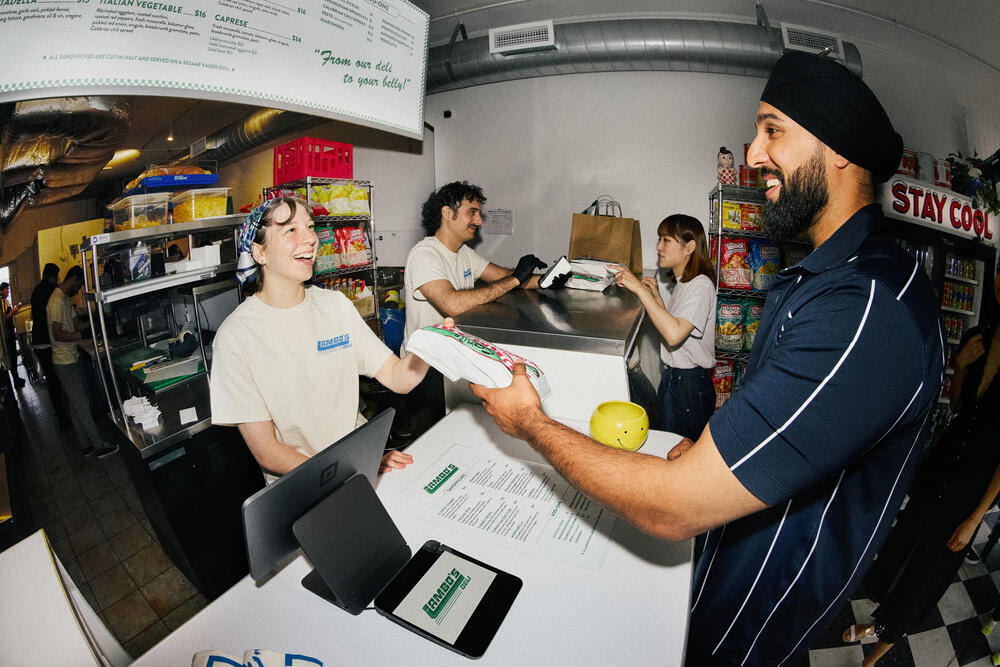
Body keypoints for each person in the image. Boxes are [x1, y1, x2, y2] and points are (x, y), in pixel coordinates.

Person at [469, 51, 943, 665]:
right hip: (736, 556)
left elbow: (672, 508)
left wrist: (529, 421)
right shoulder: (827, 275)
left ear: (840, 148)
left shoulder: (862, 309)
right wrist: (722, 445)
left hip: (754, 603)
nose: (751, 154)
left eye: (773, 130)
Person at [210, 197, 439, 482]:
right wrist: (347, 467)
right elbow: (267, 451)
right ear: (259, 252)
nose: (309, 239)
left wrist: (436, 345)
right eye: (290, 230)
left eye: (309, 227)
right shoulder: (235, 337)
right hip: (303, 485)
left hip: (356, 469)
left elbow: (398, 377)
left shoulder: (335, 306)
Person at [842, 265, 1000, 666]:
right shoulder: (978, 337)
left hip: (973, 488)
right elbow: (962, 406)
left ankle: (873, 657)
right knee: (903, 546)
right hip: (943, 463)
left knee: (929, 570)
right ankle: (877, 623)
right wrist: (961, 367)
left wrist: (976, 517)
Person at [401, 181, 548, 427]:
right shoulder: (424, 254)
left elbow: (505, 277)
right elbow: (452, 303)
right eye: (473, 212)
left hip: (454, 359)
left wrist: (547, 280)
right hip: (426, 369)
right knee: (432, 438)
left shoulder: (464, 253)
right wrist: (514, 279)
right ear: (447, 213)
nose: (479, 221)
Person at [612, 214, 716, 440]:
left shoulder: (701, 285)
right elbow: (676, 322)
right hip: (675, 379)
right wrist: (657, 297)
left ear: (689, 247)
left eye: (667, 240)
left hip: (689, 385)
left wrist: (639, 291)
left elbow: (674, 335)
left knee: (679, 455)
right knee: (667, 445)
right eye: (660, 239)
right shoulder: (686, 282)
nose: (659, 246)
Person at [48, 266, 118, 459]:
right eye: (78, 285)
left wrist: (95, 323)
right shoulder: (55, 301)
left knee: (75, 404)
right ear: (74, 279)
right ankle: (99, 446)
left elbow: (75, 323)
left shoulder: (63, 299)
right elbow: (57, 333)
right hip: (64, 361)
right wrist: (82, 334)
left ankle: (86, 446)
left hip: (69, 357)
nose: (78, 290)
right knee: (82, 404)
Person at [31, 263, 70, 428]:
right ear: (52, 276)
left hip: (39, 342)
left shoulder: (36, 291)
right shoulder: (50, 292)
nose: (58, 280)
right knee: (56, 381)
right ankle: (63, 418)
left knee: (52, 381)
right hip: (47, 343)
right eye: (57, 277)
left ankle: (61, 416)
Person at [1, 281, 25, 388]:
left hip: (10, 331)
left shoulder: (5, 301)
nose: (8, 291)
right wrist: (13, 311)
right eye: (6, 289)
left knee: (13, 356)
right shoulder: (1, 301)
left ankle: (16, 378)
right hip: (7, 334)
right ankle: (15, 379)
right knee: (11, 357)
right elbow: (4, 318)